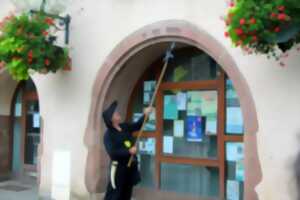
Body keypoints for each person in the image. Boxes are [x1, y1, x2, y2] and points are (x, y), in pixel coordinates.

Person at [102, 101, 153, 200]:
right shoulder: (108, 135)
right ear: (111, 119)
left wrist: (145, 114)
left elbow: (137, 125)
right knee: (115, 194)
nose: (118, 113)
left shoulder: (124, 127)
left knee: (126, 193)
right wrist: (128, 151)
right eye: (115, 113)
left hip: (129, 167)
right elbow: (112, 152)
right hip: (118, 169)